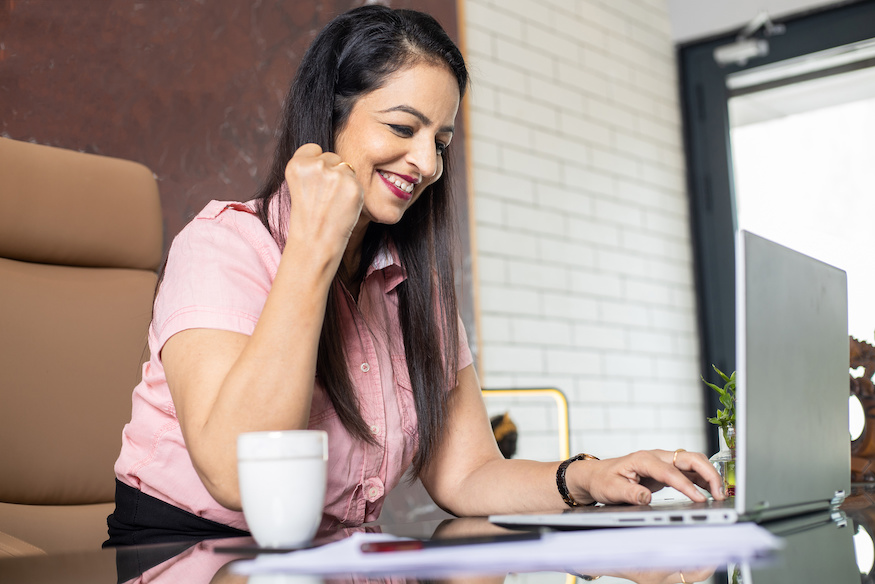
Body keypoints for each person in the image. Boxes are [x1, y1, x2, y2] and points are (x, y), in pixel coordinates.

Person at [105, 5, 724, 546]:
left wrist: (586, 476)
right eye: (402, 128)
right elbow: (237, 474)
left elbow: (467, 474)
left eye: (442, 140)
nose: (427, 163)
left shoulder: (411, 282)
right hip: (184, 558)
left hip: (328, 561)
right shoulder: (222, 247)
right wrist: (314, 249)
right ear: (330, 118)